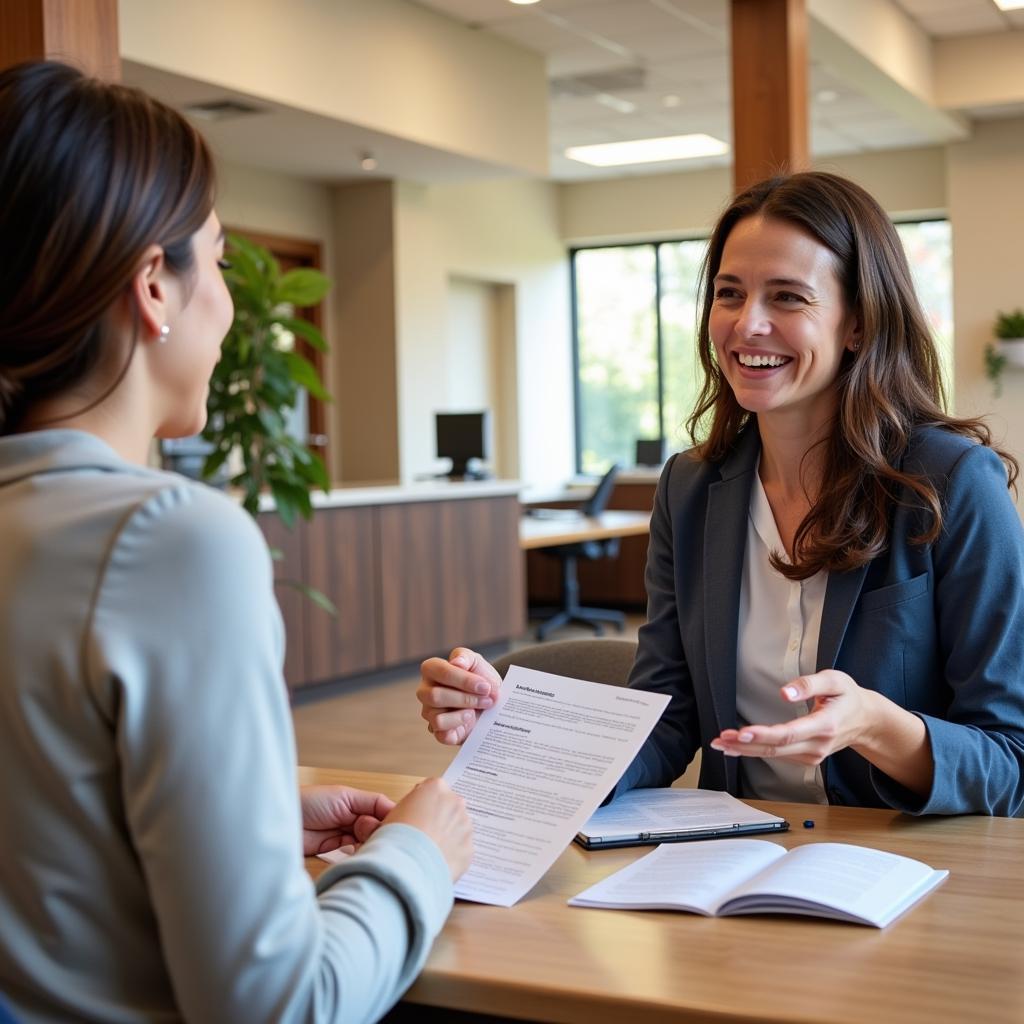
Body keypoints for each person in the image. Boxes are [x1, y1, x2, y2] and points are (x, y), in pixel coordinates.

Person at [0, 60, 472, 1024]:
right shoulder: (167, 539)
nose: (227, 300)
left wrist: (251, 820)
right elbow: (279, 1006)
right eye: (215, 259)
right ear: (153, 289)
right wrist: (415, 854)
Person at [418, 170, 1024, 818]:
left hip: (907, 871)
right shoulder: (691, 488)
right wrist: (518, 731)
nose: (747, 324)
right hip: (735, 860)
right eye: (729, 293)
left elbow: (1010, 762)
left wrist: (876, 725)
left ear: (856, 323)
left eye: (788, 298)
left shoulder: (952, 482)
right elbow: (670, 716)